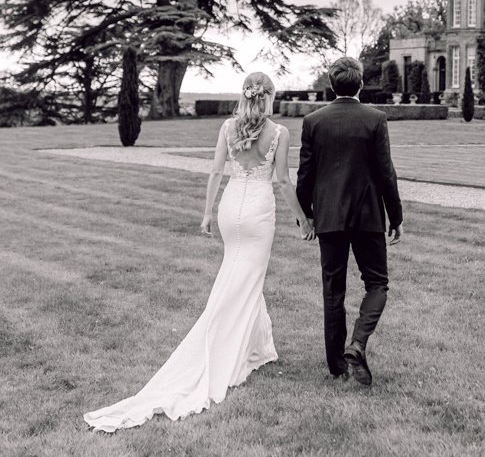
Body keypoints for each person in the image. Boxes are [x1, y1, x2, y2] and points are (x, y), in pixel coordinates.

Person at [84, 72, 314, 432]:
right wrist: (302, 218)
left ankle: (259, 348)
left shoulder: (226, 126)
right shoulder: (280, 133)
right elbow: (283, 180)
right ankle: (225, 348)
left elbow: (215, 171)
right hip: (257, 212)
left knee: (240, 275)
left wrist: (208, 212)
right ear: (268, 97)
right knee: (247, 278)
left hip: (230, 206)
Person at [295, 55, 403, 387]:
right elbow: (386, 173)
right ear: (360, 84)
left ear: (332, 85)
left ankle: (337, 367)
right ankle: (357, 343)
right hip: (368, 214)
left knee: (333, 291)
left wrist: (307, 215)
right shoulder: (375, 118)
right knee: (377, 283)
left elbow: (305, 176)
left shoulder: (314, 121)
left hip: (329, 217)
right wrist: (395, 216)